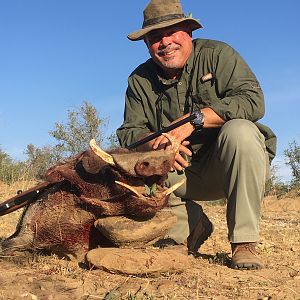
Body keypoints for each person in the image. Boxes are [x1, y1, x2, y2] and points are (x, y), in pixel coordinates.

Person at [116, 0, 276, 270]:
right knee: (133, 163)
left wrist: (196, 119)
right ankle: (187, 230)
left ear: (189, 32)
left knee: (242, 131)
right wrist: (160, 147)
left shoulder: (218, 54)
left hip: (229, 167)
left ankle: (244, 243)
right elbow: (129, 133)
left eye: (172, 32)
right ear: (147, 45)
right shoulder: (139, 80)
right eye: (155, 37)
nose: (165, 42)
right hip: (180, 174)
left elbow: (253, 101)